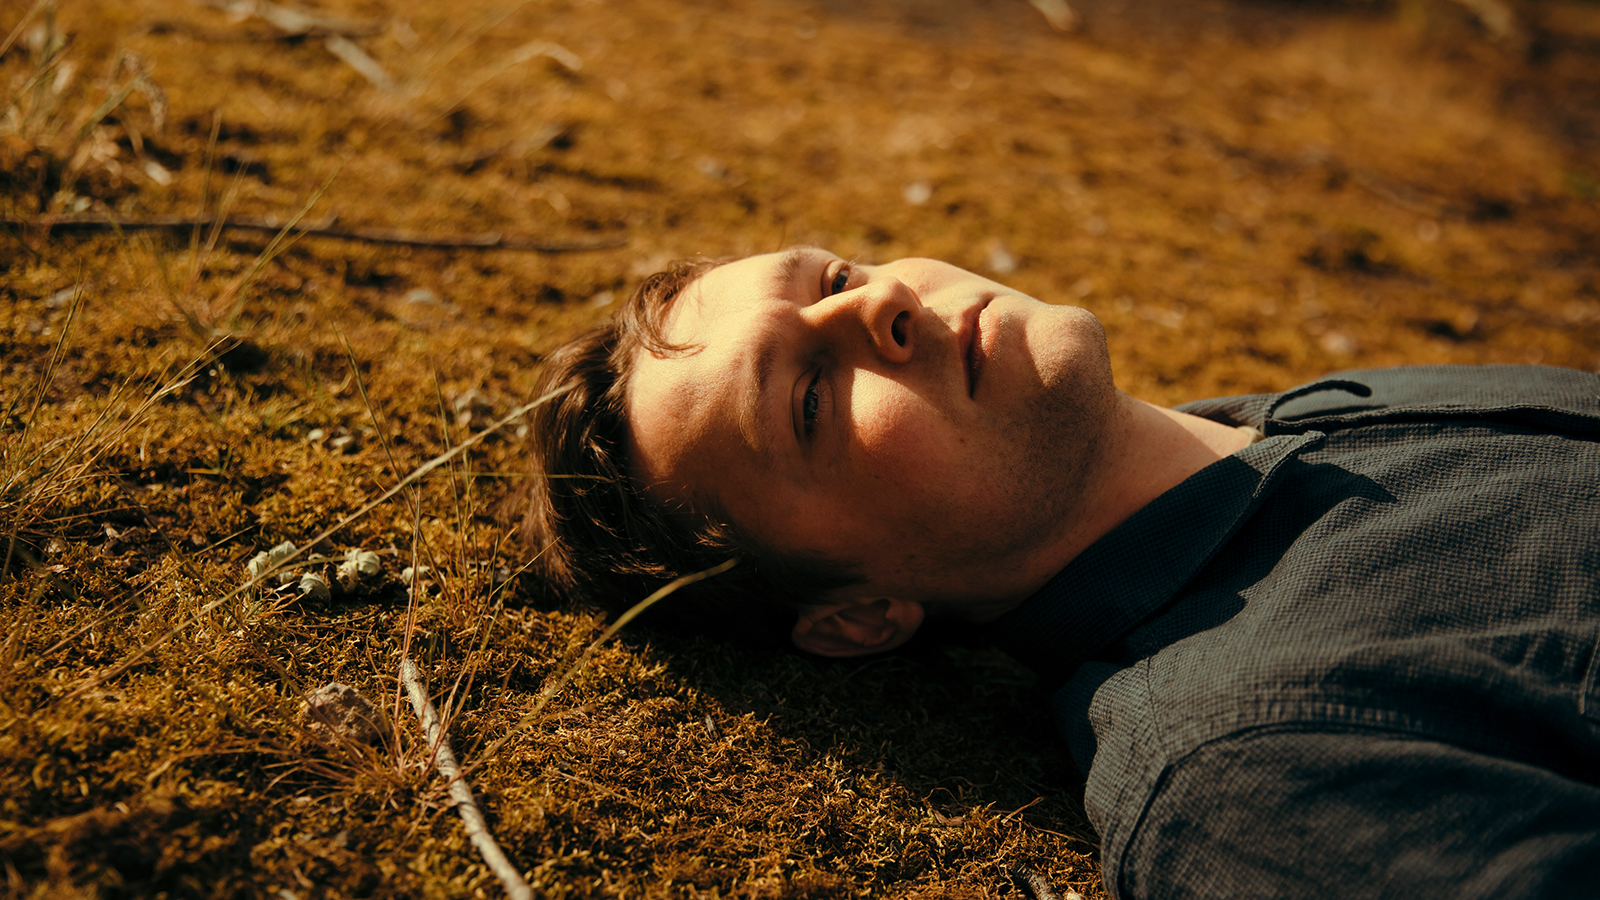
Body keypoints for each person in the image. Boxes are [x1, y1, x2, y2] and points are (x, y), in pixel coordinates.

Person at [523, 247, 1600, 898]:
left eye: (834, 278)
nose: (881, 303)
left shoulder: (1330, 410)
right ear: (856, 615)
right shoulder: (1250, 767)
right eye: (808, 400)